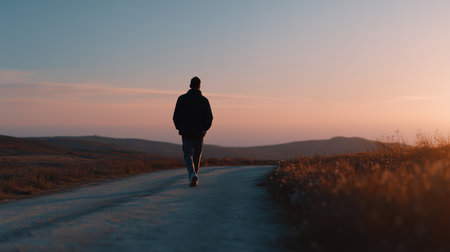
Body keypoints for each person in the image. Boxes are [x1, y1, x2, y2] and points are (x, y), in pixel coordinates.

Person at [173, 76, 213, 187]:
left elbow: (176, 116)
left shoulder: (182, 99)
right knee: (197, 155)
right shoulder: (204, 101)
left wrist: (179, 127)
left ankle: (192, 174)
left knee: (187, 155)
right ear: (199, 86)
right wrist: (205, 129)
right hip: (200, 132)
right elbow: (209, 118)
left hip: (186, 132)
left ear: (190, 85)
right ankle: (194, 175)